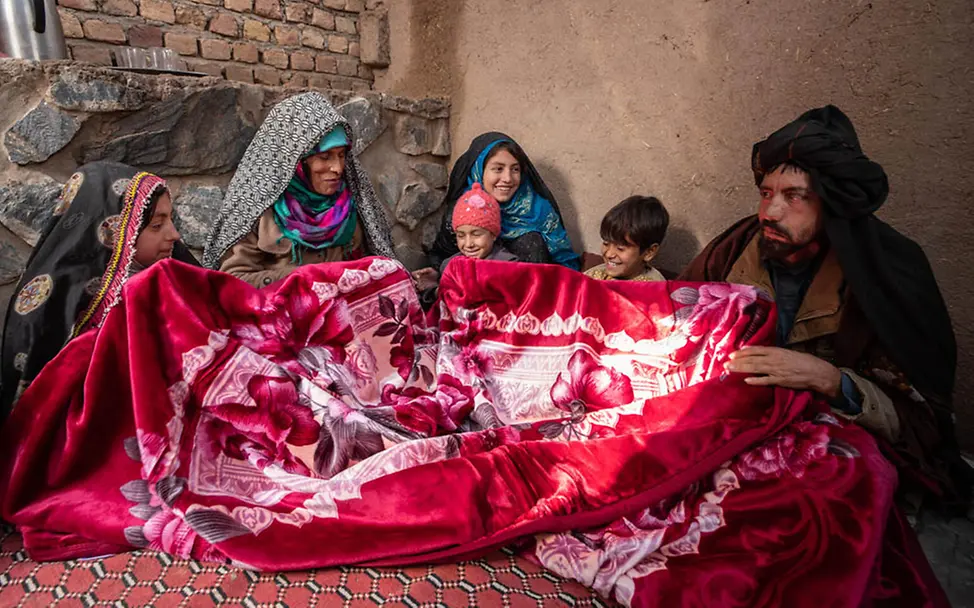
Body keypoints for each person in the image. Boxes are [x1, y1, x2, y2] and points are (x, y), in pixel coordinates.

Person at [680, 105, 970, 506]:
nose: (770, 212)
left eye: (794, 196)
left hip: (822, 440)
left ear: (831, 203)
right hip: (727, 421)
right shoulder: (735, 248)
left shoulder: (884, 274)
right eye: (766, 194)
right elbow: (677, 320)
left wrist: (832, 380)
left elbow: (918, 419)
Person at [0, 162, 198, 420]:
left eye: (171, 220)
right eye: (157, 226)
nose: (174, 235)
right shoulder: (48, 305)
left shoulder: (176, 271)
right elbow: (38, 410)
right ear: (119, 232)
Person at [202, 92, 395, 288]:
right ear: (297, 162)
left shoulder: (353, 206)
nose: (337, 168)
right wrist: (304, 277)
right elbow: (232, 281)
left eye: (341, 155)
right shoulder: (255, 211)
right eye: (325, 157)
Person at [427, 132, 580, 271]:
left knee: (530, 241)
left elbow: (565, 263)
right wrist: (436, 275)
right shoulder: (464, 209)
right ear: (479, 171)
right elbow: (441, 256)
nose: (507, 179)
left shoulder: (538, 210)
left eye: (515, 169)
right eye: (498, 169)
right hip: (472, 295)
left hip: (530, 296)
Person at [412, 182, 518, 292]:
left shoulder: (508, 265)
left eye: (476, 234)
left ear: (493, 235)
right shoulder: (450, 265)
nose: (468, 244)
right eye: (461, 236)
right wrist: (435, 288)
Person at [585, 196, 669, 282]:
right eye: (606, 243)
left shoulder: (654, 289)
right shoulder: (594, 276)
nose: (609, 254)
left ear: (649, 252)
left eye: (620, 248)